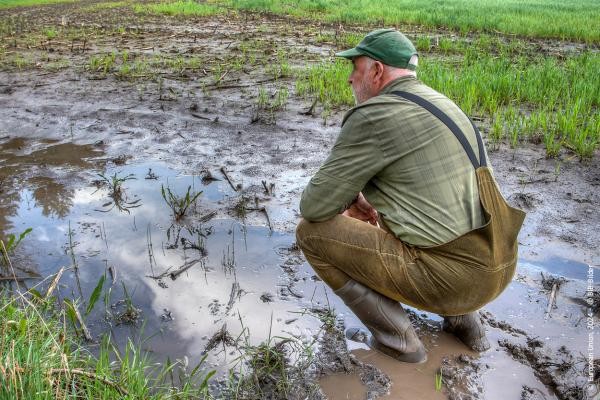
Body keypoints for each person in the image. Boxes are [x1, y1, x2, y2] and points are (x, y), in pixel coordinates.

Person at [295, 29, 525, 363]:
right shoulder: (441, 103)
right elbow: (427, 191)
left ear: (376, 71)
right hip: (500, 264)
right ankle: (466, 325)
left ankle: (399, 344)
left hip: (458, 281)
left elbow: (313, 205)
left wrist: (346, 200)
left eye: (355, 68)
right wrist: (369, 200)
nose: (349, 79)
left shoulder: (375, 115)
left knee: (310, 233)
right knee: (408, 210)